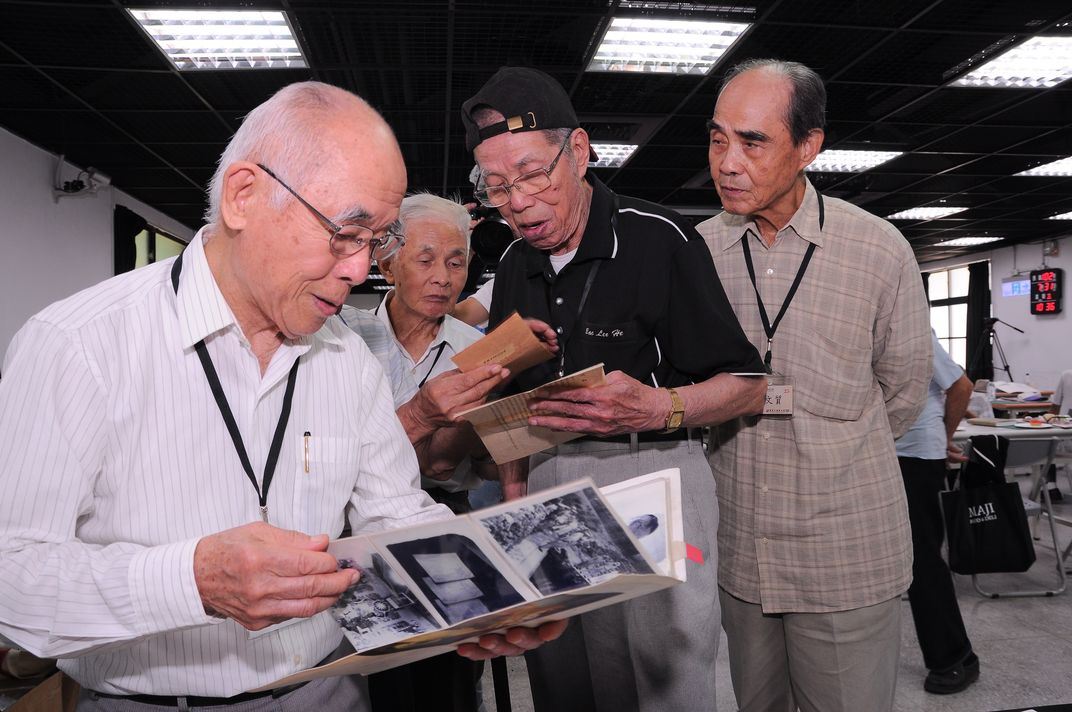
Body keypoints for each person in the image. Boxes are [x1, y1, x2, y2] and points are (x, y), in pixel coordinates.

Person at [0, 81, 564, 712]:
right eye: (345, 232)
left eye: (377, 240)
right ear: (244, 196)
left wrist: (488, 594)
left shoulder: (346, 358)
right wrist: (192, 580)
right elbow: (11, 575)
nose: (360, 269)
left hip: (331, 690)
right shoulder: (78, 345)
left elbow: (392, 511)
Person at [460, 66, 766, 712]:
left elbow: (748, 387)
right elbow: (509, 397)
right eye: (497, 187)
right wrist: (513, 496)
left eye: (532, 175)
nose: (517, 202)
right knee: (562, 676)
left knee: (664, 676)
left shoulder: (660, 239)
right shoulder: (513, 264)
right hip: (545, 476)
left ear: (578, 151)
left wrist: (660, 406)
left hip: (651, 471)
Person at [697, 59, 931, 712]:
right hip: (741, 549)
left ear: (808, 146)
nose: (727, 162)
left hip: (845, 551)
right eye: (717, 139)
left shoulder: (878, 250)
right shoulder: (699, 252)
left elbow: (904, 392)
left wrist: (831, 443)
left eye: (752, 142)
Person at [340, 192, 500, 712]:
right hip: (353, 526)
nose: (442, 278)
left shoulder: (479, 351)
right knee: (370, 682)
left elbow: (482, 467)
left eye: (456, 263)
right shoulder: (343, 338)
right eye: (425, 260)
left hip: (445, 517)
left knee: (448, 682)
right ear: (387, 263)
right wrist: (424, 415)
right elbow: (335, 448)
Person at [896, 331, 978, 694]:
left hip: (916, 455)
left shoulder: (915, 331)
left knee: (922, 559)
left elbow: (961, 386)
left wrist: (943, 439)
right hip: (881, 453)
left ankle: (954, 657)